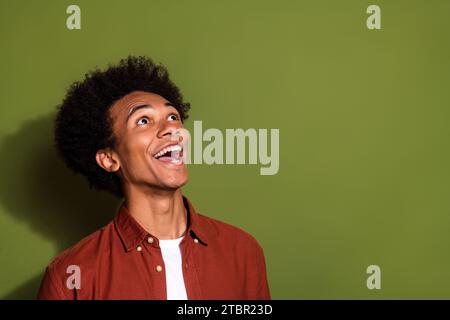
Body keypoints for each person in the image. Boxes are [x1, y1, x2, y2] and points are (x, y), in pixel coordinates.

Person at [37, 56, 271, 300]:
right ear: (109, 159)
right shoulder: (68, 278)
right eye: (144, 121)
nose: (171, 128)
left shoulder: (243, 251)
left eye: (173, 117)